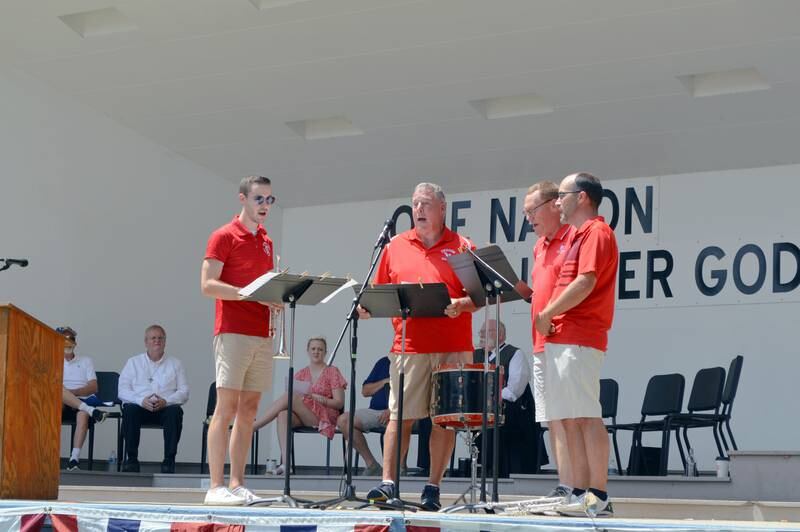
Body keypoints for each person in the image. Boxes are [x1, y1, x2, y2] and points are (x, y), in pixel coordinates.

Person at [362, 182, 478, 511]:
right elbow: (379, 292)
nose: (419, 210)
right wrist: (367, 307)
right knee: (400, 417)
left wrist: (461, 303)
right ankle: (388, 484)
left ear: (443, 209)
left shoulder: (462, 246)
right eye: (415, 204)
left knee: (444, 419)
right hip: (408, 345)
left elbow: (479, 297)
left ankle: (432, 488)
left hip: (452, 346)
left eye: (426, 204)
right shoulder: (396, 245)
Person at [534, 172, 619, 517]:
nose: (558, 202)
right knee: (571, 418)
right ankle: (582, 494)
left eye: (563, 195)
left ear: (582, 197)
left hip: (581, 337)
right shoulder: (576, 236)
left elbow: (586, 283)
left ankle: (598, 495)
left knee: (586, 416)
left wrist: (548, 311)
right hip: (563, 337)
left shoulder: (597, 232)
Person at [201, 175, 280, 505]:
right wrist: (252, 296)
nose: (264, 206)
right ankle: (215, 486)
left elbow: (263, 287)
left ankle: (237, 483)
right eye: (259, 199)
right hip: (232, 331)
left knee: (249, 409)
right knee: (227, 407)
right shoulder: (223, 235)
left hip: (261, 333)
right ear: (243, 199)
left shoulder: (267, 241)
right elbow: (208, 284)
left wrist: (274, 300)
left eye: (269, 200)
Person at [524, 180, 577, 500]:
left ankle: (576, 486)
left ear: (555, 205)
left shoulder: (573, 238)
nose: (529, 217)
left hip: (563, 339)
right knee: (552, 419)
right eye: (525, 212)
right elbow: (538, 293)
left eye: (533, 210)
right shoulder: (538, 245)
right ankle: (564, 484)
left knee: (568, 417)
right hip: (540, 343)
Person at [254, 337, 346, 474]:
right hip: (304, 414)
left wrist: (321, 399)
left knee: (291, 395)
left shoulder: (332, 371)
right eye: (313, 349)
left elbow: (339, 403)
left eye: (320, 349)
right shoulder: (302, 373)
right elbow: (288, 402)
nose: (316, 352)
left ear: (325, 352)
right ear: (308, 351)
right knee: (283, 414)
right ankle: (286, 464)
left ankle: (255, 426)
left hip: (324, 417)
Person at [473, 319, 547, 477]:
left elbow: (514, 391)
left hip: (512, 411)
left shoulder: (514, 354)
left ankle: (500, 470)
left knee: (497, 417)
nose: (481, 335)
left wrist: (488, 398)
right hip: (484, 410)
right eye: (481, 332)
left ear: (500, 335)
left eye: (487, 332)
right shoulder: (475, 355)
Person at [118, 325, 189, 474]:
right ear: (146, 342)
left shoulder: (176, 363)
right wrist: (140, 400)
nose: (157, 341)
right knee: (129, 410)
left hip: (165, 408)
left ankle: (169, 461)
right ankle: (131, 459)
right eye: (153, 338)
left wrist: (166, 401)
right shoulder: (133, 362)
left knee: (175, 411)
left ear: (165, 342)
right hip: (140, 407)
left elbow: (184, 391)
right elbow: (122, 390)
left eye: (160, 338)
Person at [57, 326, 107, 471]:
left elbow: (93, 387)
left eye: (71, 339)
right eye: (64, 339)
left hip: (82, 399)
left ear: (75, 343)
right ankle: (50, 456)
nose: (68, 342)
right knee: (56, 394)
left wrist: (73, 394)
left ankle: (74, 459)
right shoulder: (53, 360)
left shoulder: (86, 361)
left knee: (83, 414)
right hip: (60, 402)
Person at [336, 355, 390, 476]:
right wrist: (385, 382)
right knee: (344, 420)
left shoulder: (413, 363)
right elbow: (365, 391)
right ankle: (372, 465)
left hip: (403, 412)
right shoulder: (383, 362)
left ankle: (399, 469)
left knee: (401, 422)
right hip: (376, 411)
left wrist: (393, 409)